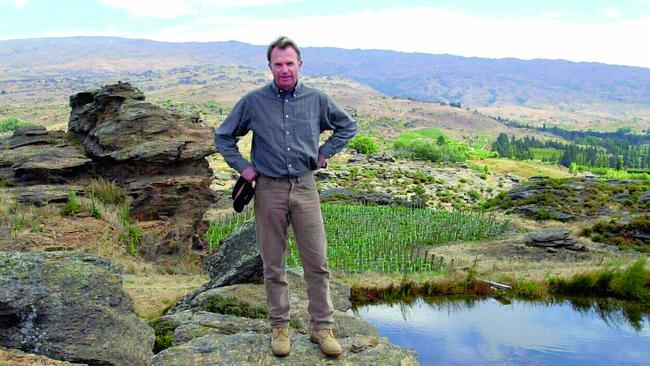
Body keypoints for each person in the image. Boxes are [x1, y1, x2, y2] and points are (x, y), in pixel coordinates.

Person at [213, 36, 358, 357]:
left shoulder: (317, 99)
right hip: (268, 189)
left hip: (305, 187)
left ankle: (322, 328)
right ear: (270, 67)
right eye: (278, 64)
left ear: (300, 65)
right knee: (273, 264)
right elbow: (223, 136)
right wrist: (244, 168)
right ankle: (279, 328)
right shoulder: (253, 102)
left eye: (289, 63)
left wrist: (324, 153)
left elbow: (348, 127)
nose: (284, 69)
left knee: (317, 262)